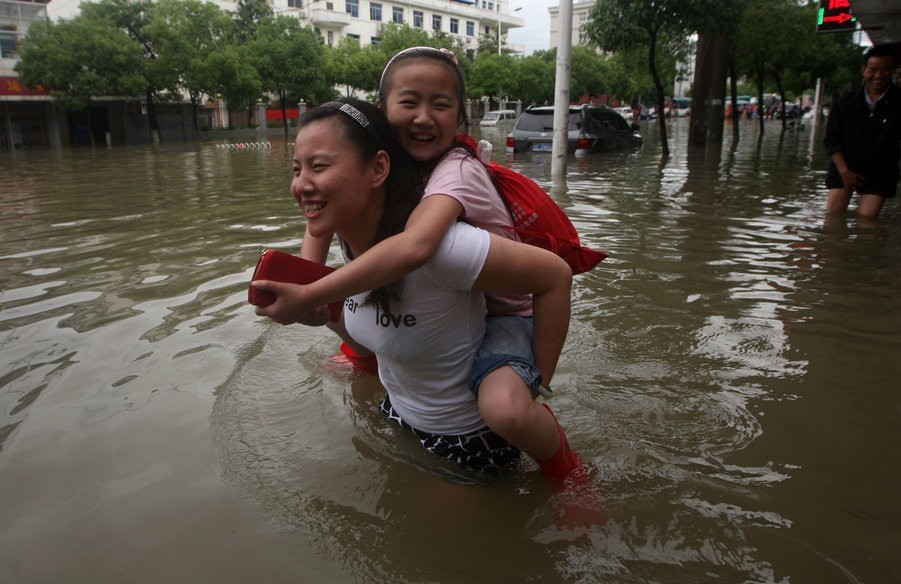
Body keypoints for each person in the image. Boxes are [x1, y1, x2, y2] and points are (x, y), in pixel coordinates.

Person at [277, 47, 586, 481]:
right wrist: (309, 286)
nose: (424, 117)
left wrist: (539, 375)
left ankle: (572, 474)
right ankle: (361, 356)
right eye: (409, 102)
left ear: (460, 115)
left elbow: (417, 245)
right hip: (413, 390)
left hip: (508, 308)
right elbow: (317, 226)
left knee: (506, 407)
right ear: (384, 111)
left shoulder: (452, 175)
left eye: (440, 105)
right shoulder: (385, 178)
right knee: (345, 296)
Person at [824, 45, 901, 220]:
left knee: (866, 221)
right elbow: (831, 140)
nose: (878, 76)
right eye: (873, 70)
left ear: (893, 71)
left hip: (880, 173)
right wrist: (844, 171)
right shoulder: (845, 102)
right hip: (844, 167)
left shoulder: (898, 103)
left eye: (885, 69)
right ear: (864, 70)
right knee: (833, 219)